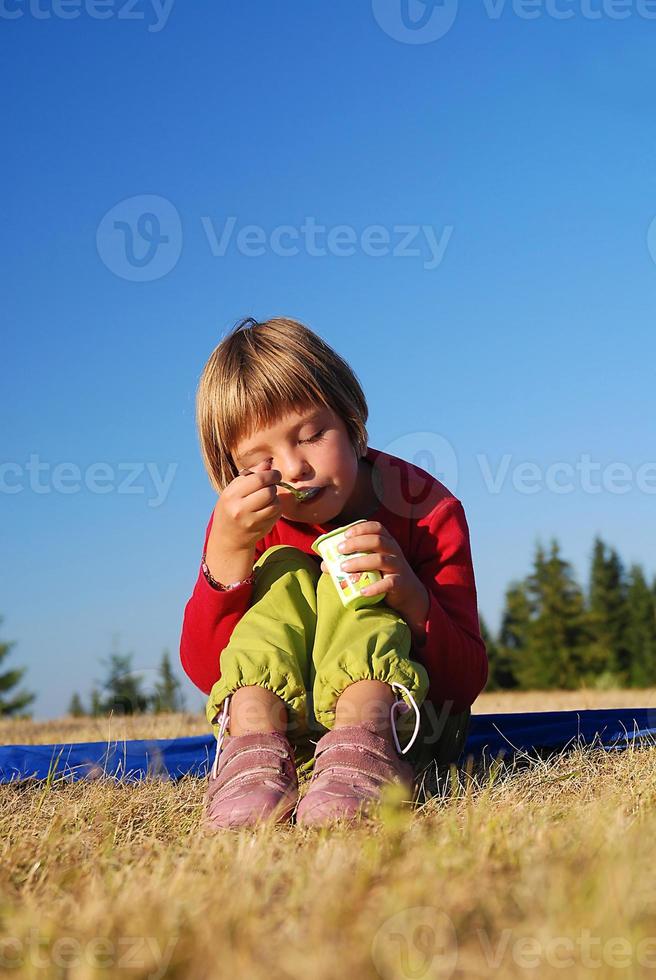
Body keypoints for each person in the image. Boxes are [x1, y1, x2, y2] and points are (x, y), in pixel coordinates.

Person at [179, 316, 488, 830]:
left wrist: (409, 595)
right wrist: (227, 555)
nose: (293, 468)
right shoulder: (245, 524)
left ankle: (362, 743)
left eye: (311, 436)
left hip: (409, 732)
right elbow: (209, 672)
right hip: (291, 744)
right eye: (261, 459)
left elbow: (465, 680)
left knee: (351, 575)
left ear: (353, 426)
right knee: (284, 572)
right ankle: (252, 759)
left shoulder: (426, 509)